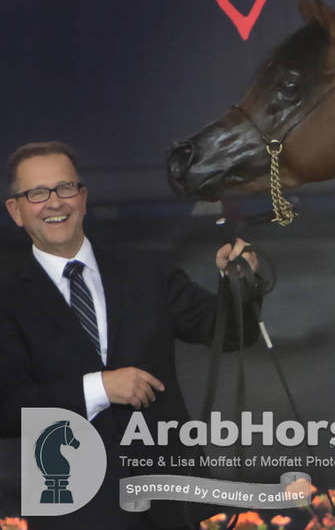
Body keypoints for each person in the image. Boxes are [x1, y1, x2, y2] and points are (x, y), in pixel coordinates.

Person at [0, 141, 262, 529]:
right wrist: (100, 388)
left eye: (65, 188)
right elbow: (6, 409)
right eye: (37, 193)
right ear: (16, 211)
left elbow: (230, 333)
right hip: (73, 507)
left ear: (83, 198)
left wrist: (238, 284)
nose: (54, 203)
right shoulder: (7, 299)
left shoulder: (147, 270)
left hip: (170, 502)